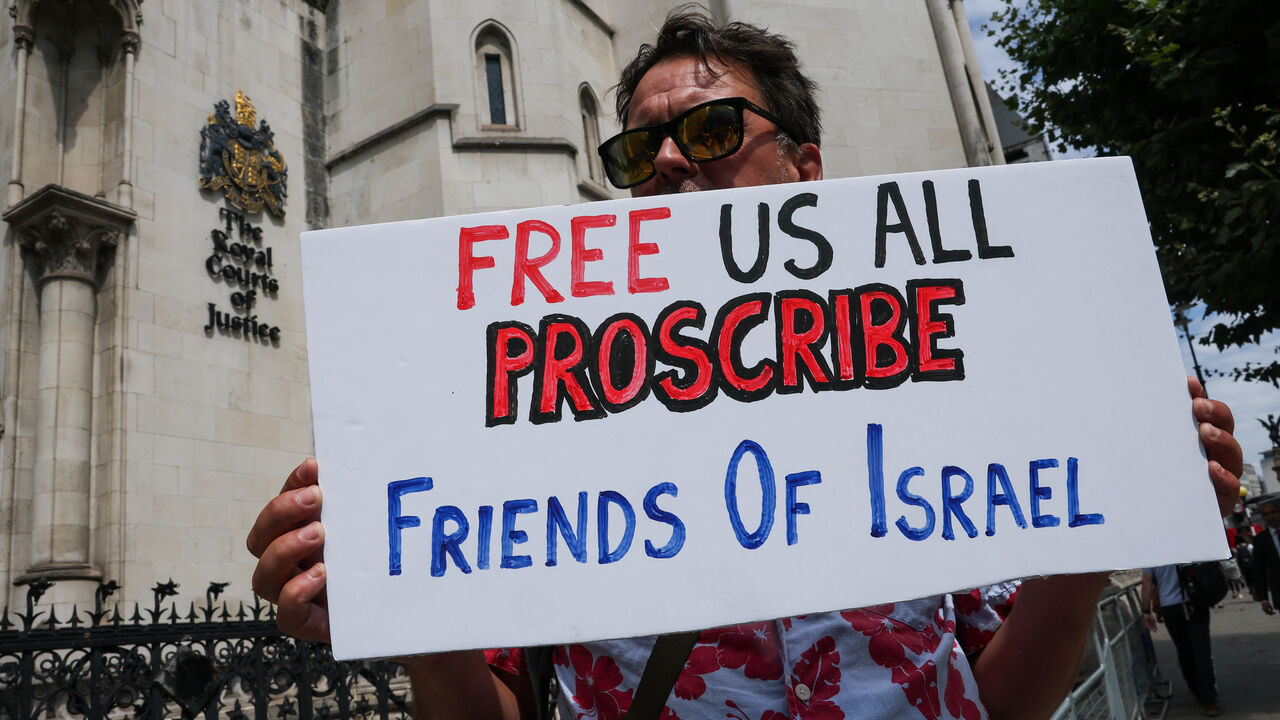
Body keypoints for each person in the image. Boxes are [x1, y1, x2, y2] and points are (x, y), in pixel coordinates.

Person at [247, 10, 1244, 720]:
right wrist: (404, 594)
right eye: (638, 155)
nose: (671, 162)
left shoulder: (941, 406)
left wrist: (1101, 515)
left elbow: (1002, 697)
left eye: (712, 131)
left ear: (804, 170)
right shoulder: (544, 429)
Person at [1141, 565, 1222, 716]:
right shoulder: (1185, 542)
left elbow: (1147, 584)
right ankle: (1209, 700)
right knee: (1202, 651)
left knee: (1184, 651)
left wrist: (1146, 610)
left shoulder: (1151, 551)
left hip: (1170, 607)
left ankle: (1197, 691)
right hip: (1194, 601)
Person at [1254, 498, 1280, 616]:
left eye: (1273, 512)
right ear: (1263, 517)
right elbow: (1259, 571)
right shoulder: (1260, 540)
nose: (1270, 516)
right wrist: (1264, 599)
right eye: (1266, 514)